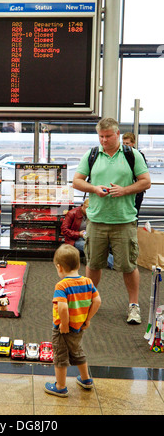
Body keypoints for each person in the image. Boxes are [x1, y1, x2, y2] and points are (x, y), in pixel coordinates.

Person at [72, 117, 151, 324]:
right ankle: (89, 300)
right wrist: (94, 189)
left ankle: (133, 306)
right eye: (101, 137)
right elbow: (77, 181)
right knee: (93, 263)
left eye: (108, 136)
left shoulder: (132, 156)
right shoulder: (91, 155)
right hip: (97, 221)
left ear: (117, 135)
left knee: (128, 265)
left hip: (124, 221)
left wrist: (124, 190)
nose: (104, 140)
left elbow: (146, 182)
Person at [45, 244, 101, 397]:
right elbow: (97, 301)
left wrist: (63, 324)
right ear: (78, 264)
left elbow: (62, 308)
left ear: (59, 267)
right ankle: (86, 379)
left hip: (62, 328)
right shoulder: (88, 282)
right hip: (79, 326)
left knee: (60, 356)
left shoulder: (62, 285)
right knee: (77, 351)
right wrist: (87, 319)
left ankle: (60, 386)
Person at [122, 132, 147, 217]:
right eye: (123, 143)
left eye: (127, 143)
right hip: (123, 189)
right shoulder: (120, 155)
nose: (125, 145)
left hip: (136, 190)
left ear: (133, 143)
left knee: (134, 215)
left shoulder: (138, 156)